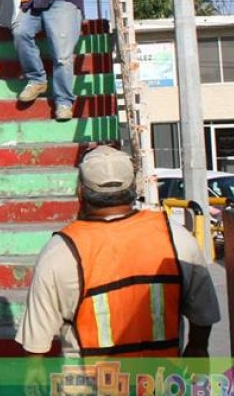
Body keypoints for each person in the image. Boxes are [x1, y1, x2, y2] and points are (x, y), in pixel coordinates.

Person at [16, 146, 220, 358]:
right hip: (162, 375)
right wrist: (197, 347)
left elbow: (35, 346)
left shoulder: (60, 252)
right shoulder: (176, 238)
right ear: (134, 188)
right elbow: (203, 315)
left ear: (80, 193)